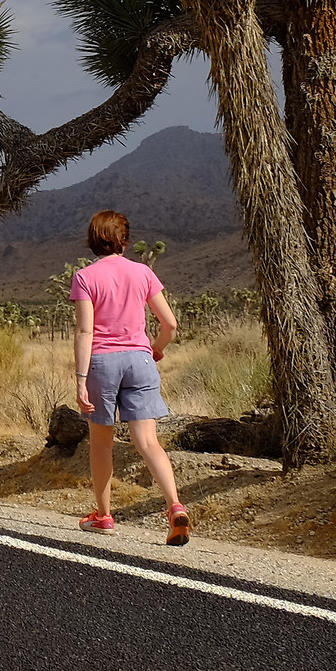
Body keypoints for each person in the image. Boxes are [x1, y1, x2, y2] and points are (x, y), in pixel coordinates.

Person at [69, 209, 189, 545]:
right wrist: (157, 349)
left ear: (94, 240)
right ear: (125, 238)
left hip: (103, 363)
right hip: (140, 360)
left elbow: (84, 330)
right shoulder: (143, 273)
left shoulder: (84, 277)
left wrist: (81, 379)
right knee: (148, 442)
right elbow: (170, 324)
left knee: (102, 442)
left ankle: (104, 516)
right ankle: (175, 506)